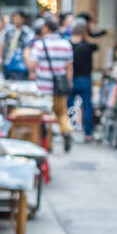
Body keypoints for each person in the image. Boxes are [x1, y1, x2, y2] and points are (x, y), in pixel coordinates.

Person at [26, 15, 75, 152]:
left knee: (46, 116)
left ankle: (49, 144)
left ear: (45, 28)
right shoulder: (66, 44)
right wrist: (69, 83)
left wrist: (27, 54)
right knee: (62, 113)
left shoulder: (40, 45)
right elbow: (69, 67)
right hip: (60, 86)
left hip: (44, 86)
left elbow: (32, 65)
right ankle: (66, 132)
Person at [70, 18, 99, 140]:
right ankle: (88, 133)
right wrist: (87, 35)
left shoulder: (68, 44)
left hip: (71, 78)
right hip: (85, 79)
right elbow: (96, 45)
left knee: (70, 105)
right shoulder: (88, 45)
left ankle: (68, 131)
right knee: (87, 107)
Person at [0, 11, 34, 80]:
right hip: (7, 60)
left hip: (20, 64)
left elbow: (28, 49)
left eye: (18, 17)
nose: (16, 19)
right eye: (14, 17)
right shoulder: (9, 30)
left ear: (23, 19)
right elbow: (3, 45)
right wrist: (0, 57)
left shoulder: (28, 32)